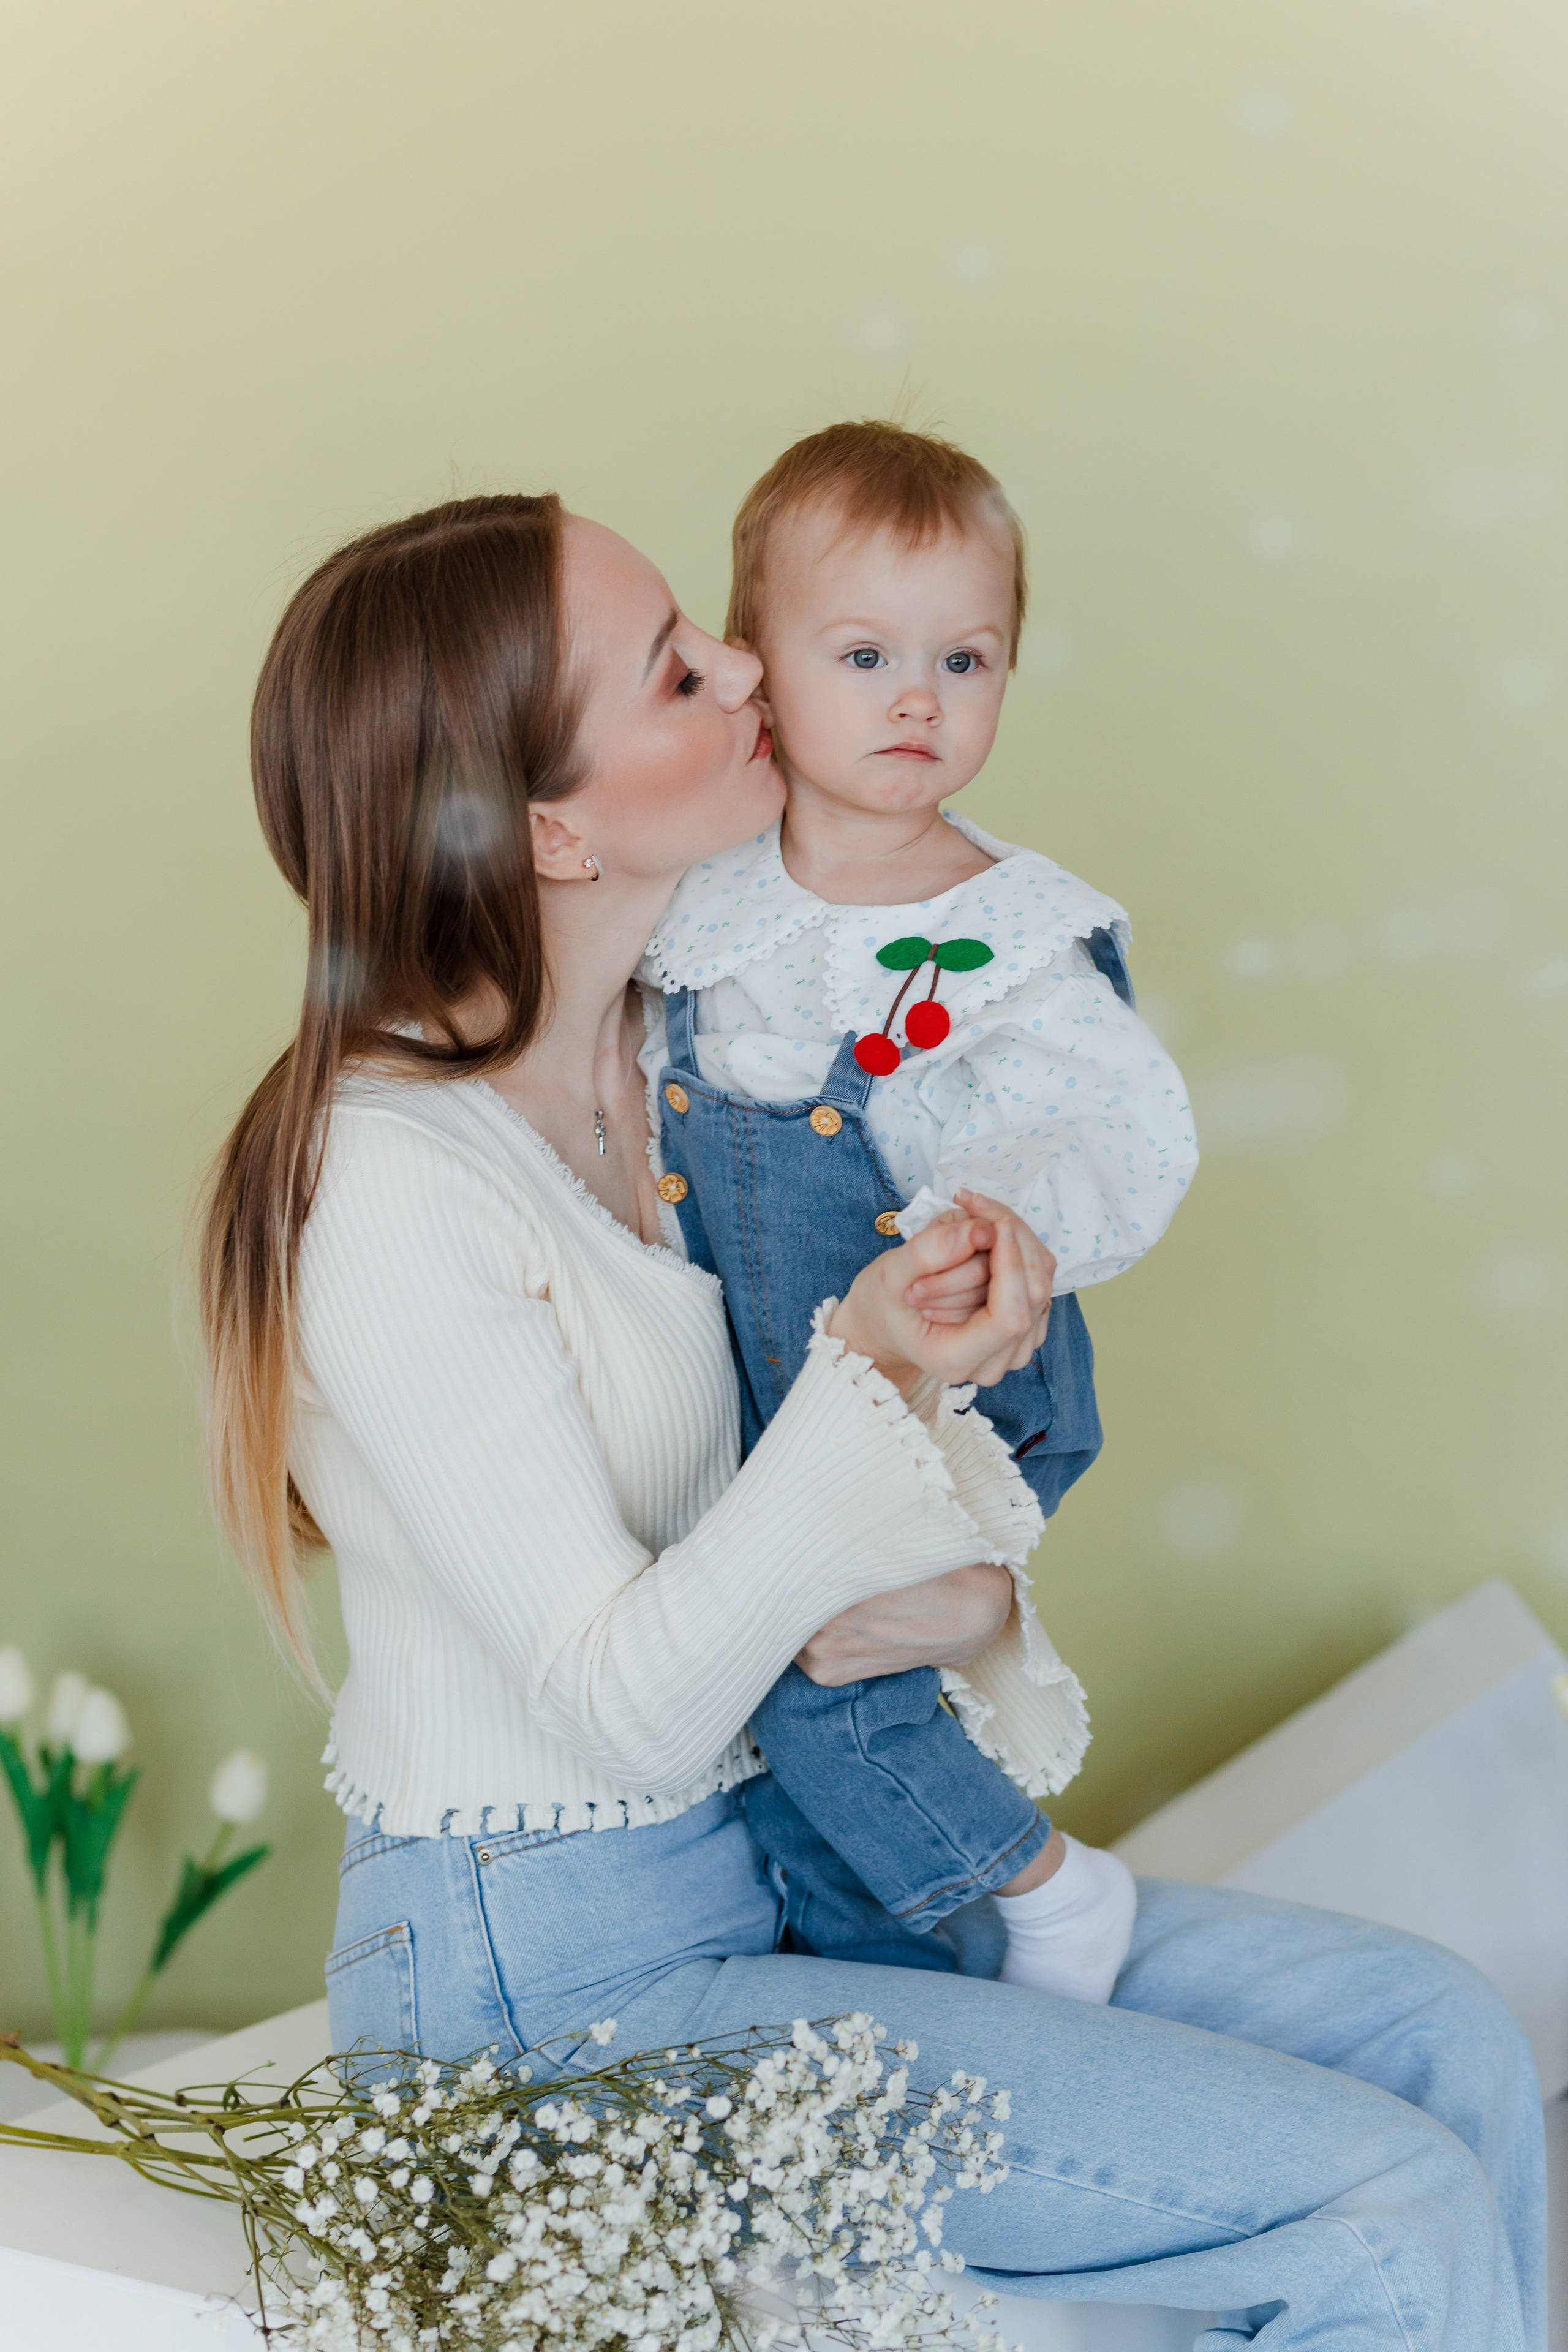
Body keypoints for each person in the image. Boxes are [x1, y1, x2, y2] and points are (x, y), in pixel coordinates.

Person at [200, 492, 1543, 2348]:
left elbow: (831, 1527)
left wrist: (981, 1599)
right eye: (682, 664)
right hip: (558, 2002)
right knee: (1386, 2212)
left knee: (1443, 2035)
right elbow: (630, 1694)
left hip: (783, 1871)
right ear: (550, 825)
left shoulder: (702, 1051)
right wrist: (865, 1361)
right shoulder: (392, 1187)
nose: (751, 663)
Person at [641, 420, 1197, 1998]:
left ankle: (1044, 1900)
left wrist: (1013, 1219)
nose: (916, 699)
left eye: (967, 660)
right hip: (792, 1392)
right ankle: (871, 1966)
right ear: (758, 668)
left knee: (821, 1684)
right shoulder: (708, 892)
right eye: (867, 652)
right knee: (783, 1696)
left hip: (961, 1380)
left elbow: (1117, 1123)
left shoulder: (1010, 928)